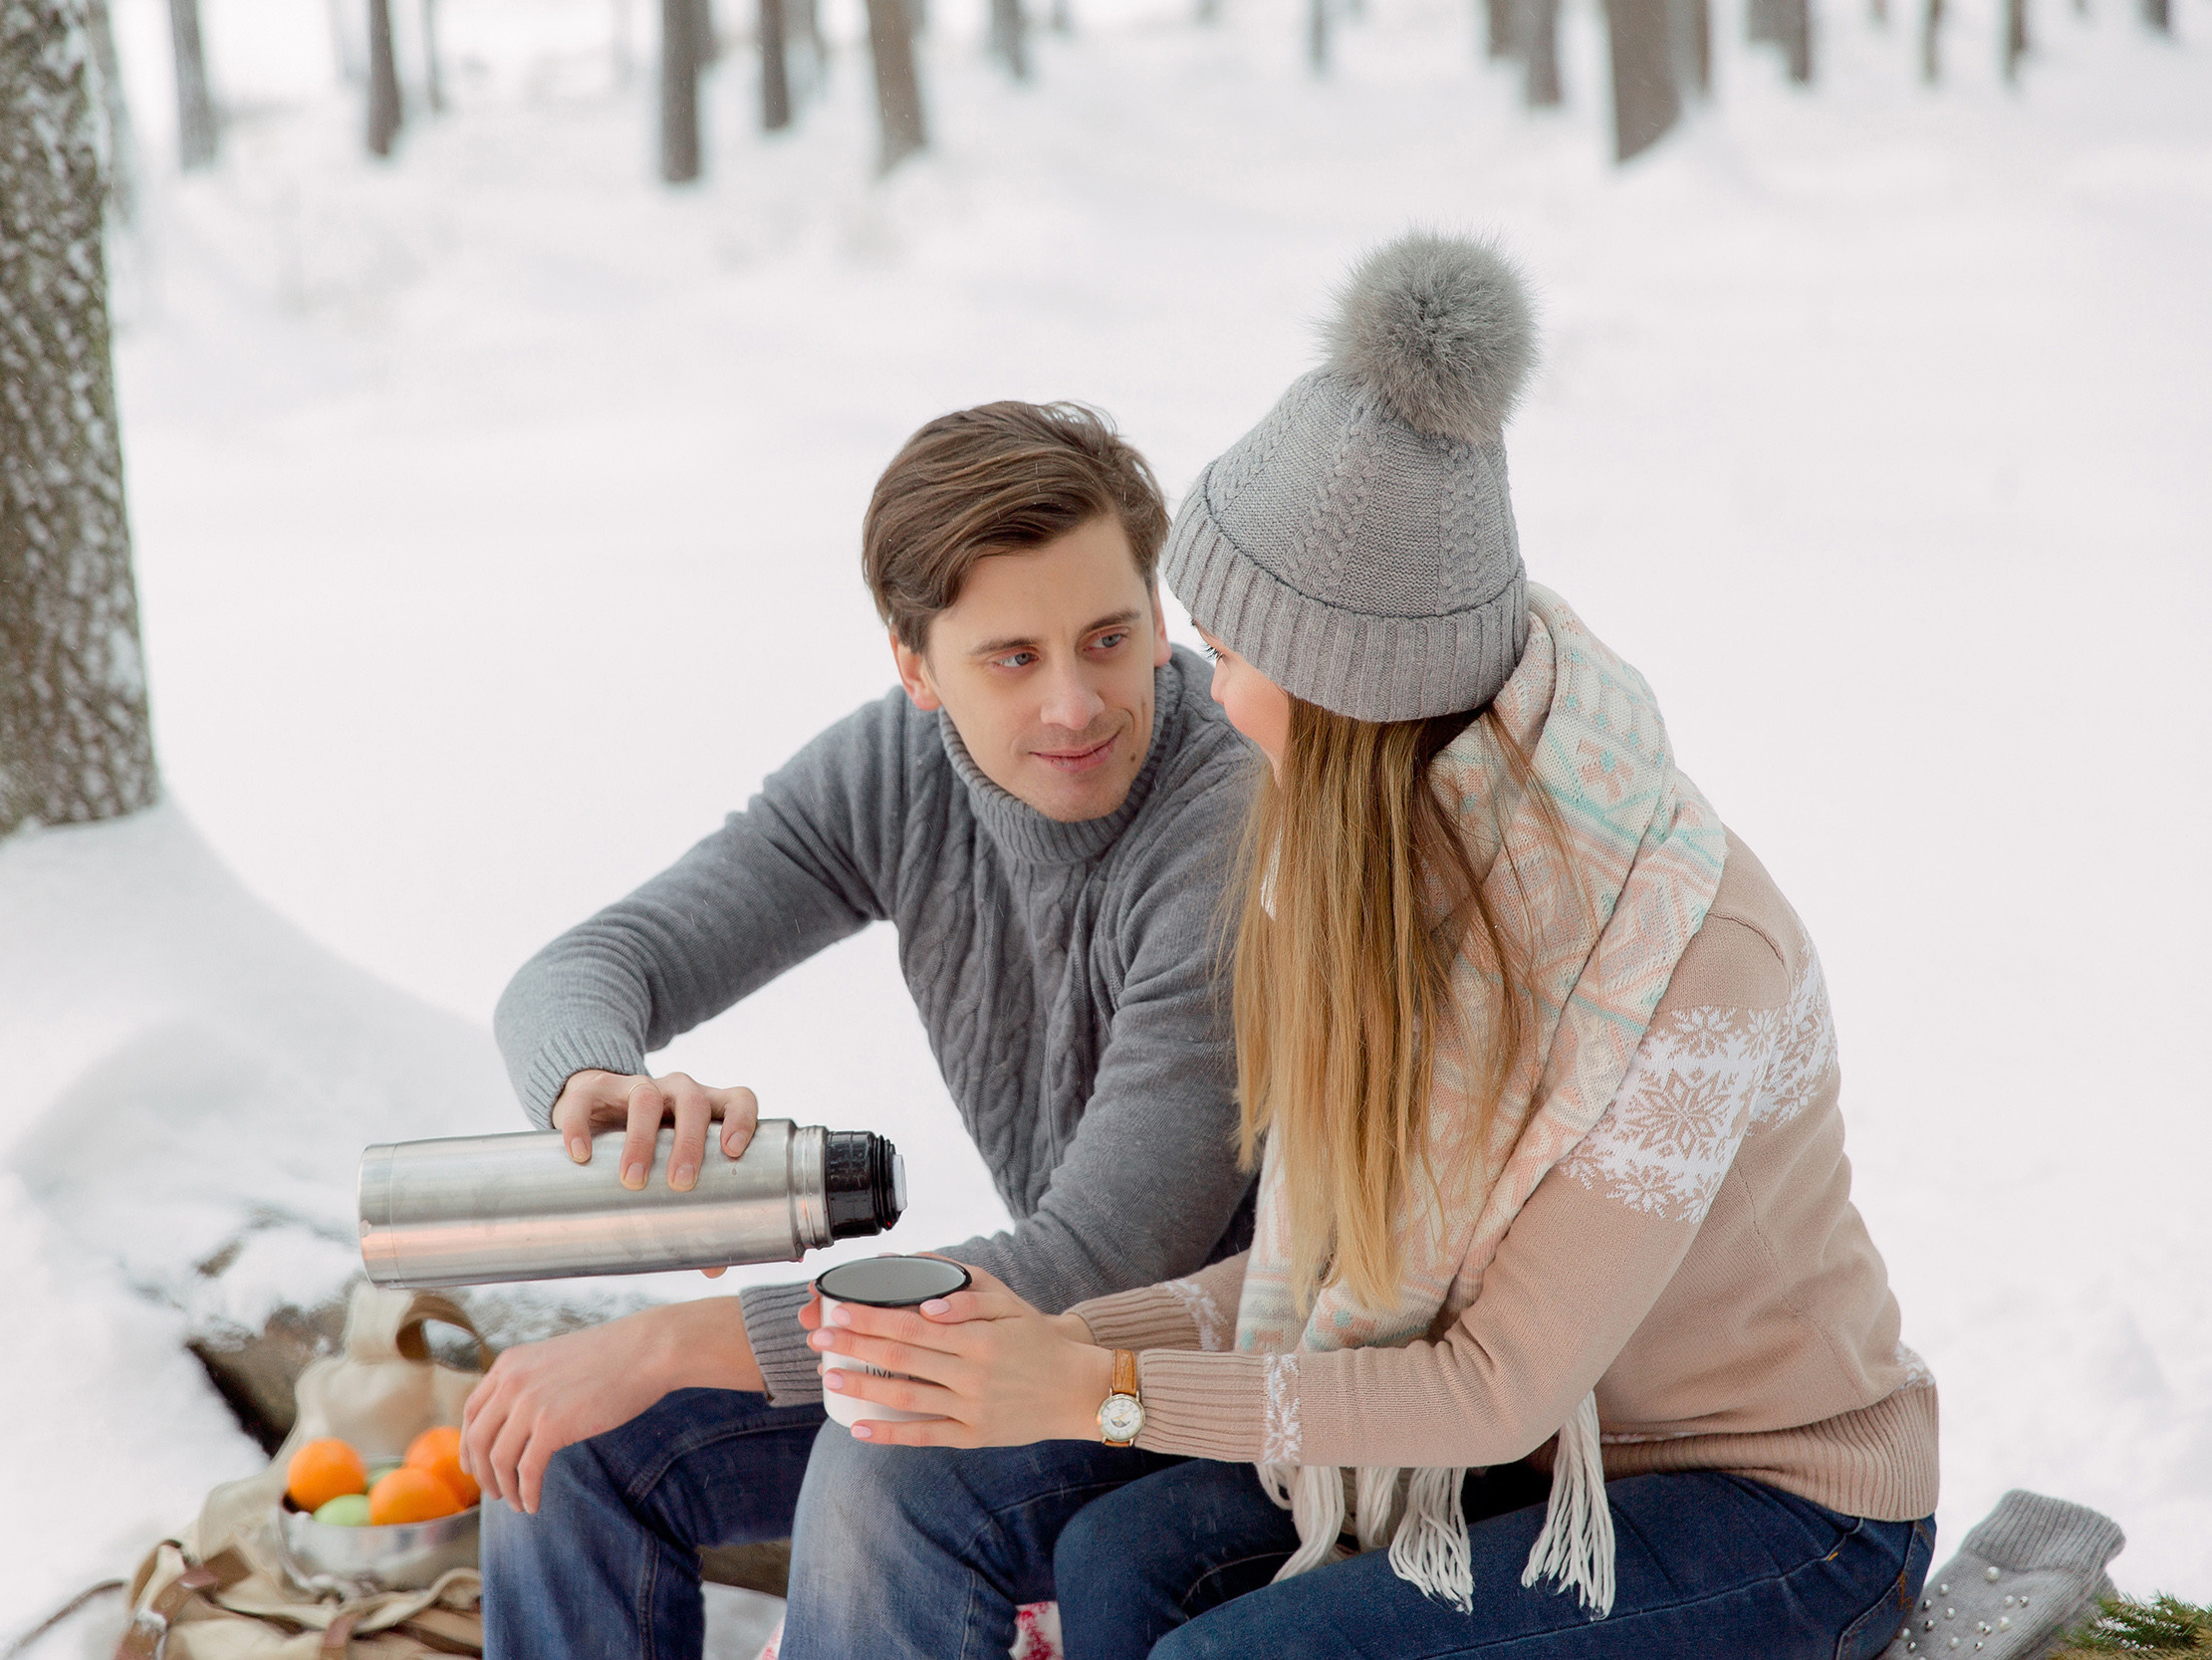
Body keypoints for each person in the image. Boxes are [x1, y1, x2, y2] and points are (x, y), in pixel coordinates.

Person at [801, 233, 1941, 1660]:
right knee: (1115, 1562)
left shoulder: (1682, 957)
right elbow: (1319, 1271)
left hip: (1776, 1502)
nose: (1196, 679)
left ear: (1343, 686)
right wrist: (1070, 1342)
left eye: (1227, 646)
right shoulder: (1376, 876)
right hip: (1531, 1462)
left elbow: (1493, 1384)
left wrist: (1094, 1386)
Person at [467, 400, 1263, 1657]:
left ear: (1159, 617)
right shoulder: (899, 769)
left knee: (883, 1460)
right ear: (914, 665)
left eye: (1110, 637)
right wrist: (598, 1079)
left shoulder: (1230, 820)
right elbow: (586, 966)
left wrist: (677, 1337)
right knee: (574, 1439)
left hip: (1212, 1377)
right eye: (1011, 657)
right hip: (1016, 1347)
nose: (1076, 703)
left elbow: (1102, 1257)